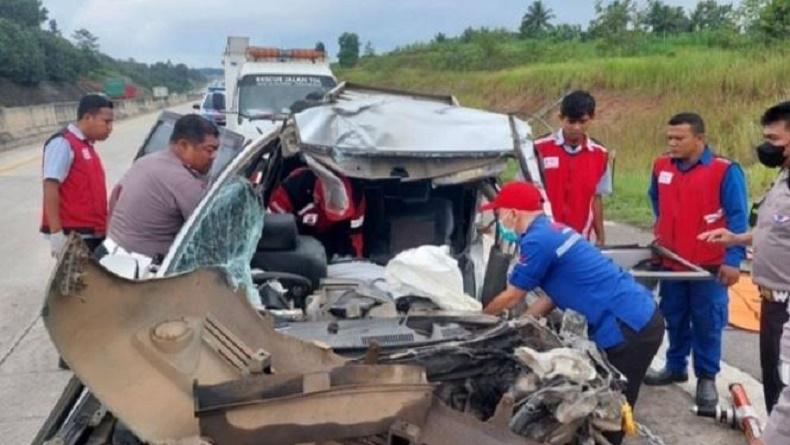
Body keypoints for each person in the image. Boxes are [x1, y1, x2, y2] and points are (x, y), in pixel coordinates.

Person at [482, 181, 664, 445]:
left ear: (513, 212)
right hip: (637, 316)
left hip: (629, 326)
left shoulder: (536, 240)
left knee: (610, 404)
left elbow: (513, 294)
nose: (498, 219)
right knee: (605, 398)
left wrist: (483, 318)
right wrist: (523, 325)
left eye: (498, 213)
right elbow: (551, 295)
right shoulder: (552, 230)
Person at [698, 101, 790, 444]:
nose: (766, 145)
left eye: (774, 138)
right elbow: (776, 228)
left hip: (787, 304)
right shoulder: (783, 179)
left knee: (785, 391)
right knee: (773, 383)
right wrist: (737, 237)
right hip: (771, 301)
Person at [644, 113, 749, 409]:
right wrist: (664, 230)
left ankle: (706, 378)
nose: (673, 144)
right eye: (669, 139)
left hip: (709, 267)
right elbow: (656, 200)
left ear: (700, 139)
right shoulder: (661, 166)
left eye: (680, 138)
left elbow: (738, 217)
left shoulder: (724, 170)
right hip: (672, 262)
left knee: (707, 322)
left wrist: (733, 259)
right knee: (673, 317)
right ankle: (675, 366)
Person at [100, 114, 219, 276]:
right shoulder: (181, 180)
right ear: (183, 145)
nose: (214, 157)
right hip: (139, 272)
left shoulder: (146, 161)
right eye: (209, 150)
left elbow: (114, 200)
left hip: (108, 255)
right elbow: (212, 231)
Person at [534, 90, 612, 245]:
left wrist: (601, 237)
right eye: (571, 121)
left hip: (579, 239)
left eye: (582, 122)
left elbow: (596, 198)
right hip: (543, 237)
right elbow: (524, 191)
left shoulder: (600, 154)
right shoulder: (539, 149)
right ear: (561, 118)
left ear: (592, 118)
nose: (576, 127)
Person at [41, 94, 114, 256]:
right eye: (106, 122)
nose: (110, 128)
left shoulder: (85, 145)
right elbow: (50, 185)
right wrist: (56, 233)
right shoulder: (63, 143)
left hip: (93, 232)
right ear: (88, 117)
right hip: (76, 236)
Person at [268, 166, 366, 259]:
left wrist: (356, 259)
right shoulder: (294, 186)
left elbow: (356, 235)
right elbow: (274, 228)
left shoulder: (356, 195)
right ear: (317, 197)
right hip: (297, 237)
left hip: (335, 238)